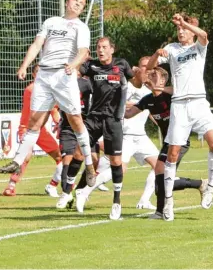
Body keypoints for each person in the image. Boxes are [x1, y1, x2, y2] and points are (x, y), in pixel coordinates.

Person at [0, 0, 96, 188]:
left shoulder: (81, 27)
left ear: (82, 10)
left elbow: (84, 52)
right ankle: (17, 162)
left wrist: (73, 65)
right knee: (35, 121)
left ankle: (90, 165)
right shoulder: (51, 22)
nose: (77, 5)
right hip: (44, 74)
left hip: (63, 75)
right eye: (75, 1)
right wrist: (25, 65)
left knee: (75, 120)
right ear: (67, 1)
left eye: (81, 4)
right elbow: (37, 44)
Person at [147, 12, 213, 221]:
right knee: (172, 153)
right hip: (180, 105)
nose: (180, 32)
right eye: (178, 29)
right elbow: (152, 66)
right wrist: (156, 54)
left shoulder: (198, 47)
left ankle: (210, 187)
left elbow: (204, 35)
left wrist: (186, 23)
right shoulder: (171, 50)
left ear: (191, 30)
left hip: (199, 103)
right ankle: (168, 202)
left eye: (184, 29)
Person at [58, 36, 134, 220]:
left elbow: (134, 80)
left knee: (116, 162)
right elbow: (74, 68)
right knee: (77, 153)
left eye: (104, 47)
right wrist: (75, 57)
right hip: (94, 118)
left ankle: (116, 202)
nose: (101, 50)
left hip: (113, 120)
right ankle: (67, 191)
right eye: (98, 47)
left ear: (112, 49)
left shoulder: (122, 65)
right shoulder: (91, 66)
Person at [74, 56, 159, 212]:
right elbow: (113, 99)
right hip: (125, 134)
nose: (148, 71)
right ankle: (84, 192)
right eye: (145, 67)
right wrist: (136, 104)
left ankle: (144, 200)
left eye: (152, 68)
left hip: (140, 136)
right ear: (136, 68)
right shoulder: (126, 85)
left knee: (160, 166)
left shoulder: (148, 91)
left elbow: (151, 109)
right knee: (120, 169)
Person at [126, 66, 207, 220]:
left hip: (180, 141)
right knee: (160, 183)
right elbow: (128, 114)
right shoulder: (147, 100)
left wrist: (159, 87)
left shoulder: (172, 97)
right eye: (149, 74)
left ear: (163, 80)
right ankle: (199, 184)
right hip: (167, 142)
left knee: (161, 175)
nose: (149, 75)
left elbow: (183, 90)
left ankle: (161, 211)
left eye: (154, 74)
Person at [2, 65, 63, 198]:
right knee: (26, 156)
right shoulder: (31, 89)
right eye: (40, 74)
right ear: (35, 76)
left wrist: (59, 123)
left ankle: (54, 185)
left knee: (60, 157)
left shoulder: (48, 91)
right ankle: (11, 186)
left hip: (41, 131)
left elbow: (54, 111)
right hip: (27, 129)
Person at [57, 71, 93, 195]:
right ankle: (65, 192)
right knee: (67, 158)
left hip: (86, 125)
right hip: (67, 127)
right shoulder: (60, 83)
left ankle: (80, 191)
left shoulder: (86, 83)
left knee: (93, 158)